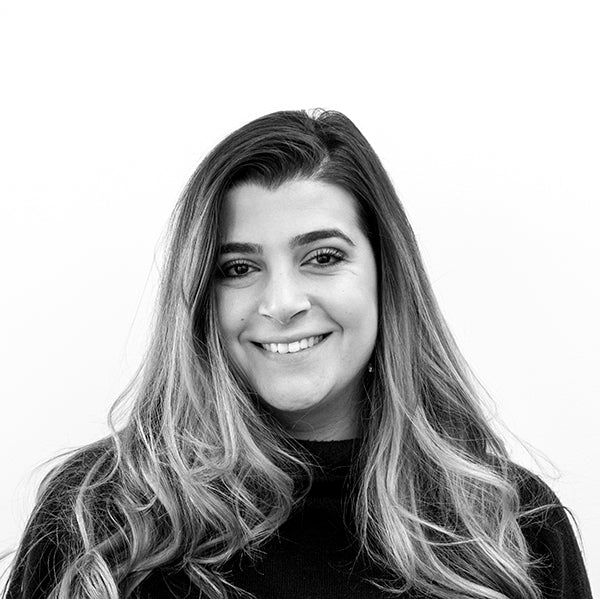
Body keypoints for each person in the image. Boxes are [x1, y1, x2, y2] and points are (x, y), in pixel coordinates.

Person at [3, 110, 592, 599]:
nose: (281, 303)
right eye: (239, 268)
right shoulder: (103, 518)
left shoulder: (508, 526)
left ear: (386, 276)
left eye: (323, 258)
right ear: (202, 296)